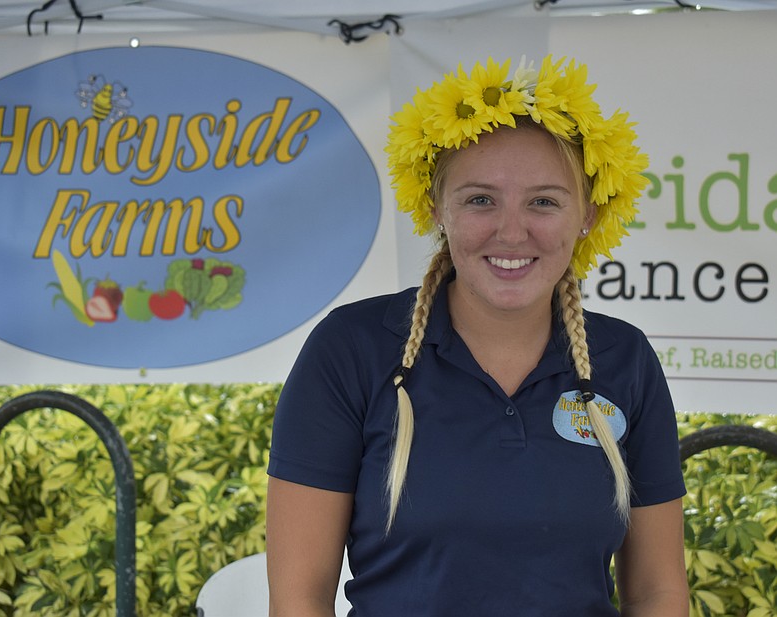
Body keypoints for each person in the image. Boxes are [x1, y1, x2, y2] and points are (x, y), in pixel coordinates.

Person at [265, 55, 689, 616]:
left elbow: (657, 592)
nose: (512, 232)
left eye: (544, 201)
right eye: (480, 199)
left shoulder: (624, 358)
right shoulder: (352, 348)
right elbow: (299, 598)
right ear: (438, 208)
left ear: (587, 213)